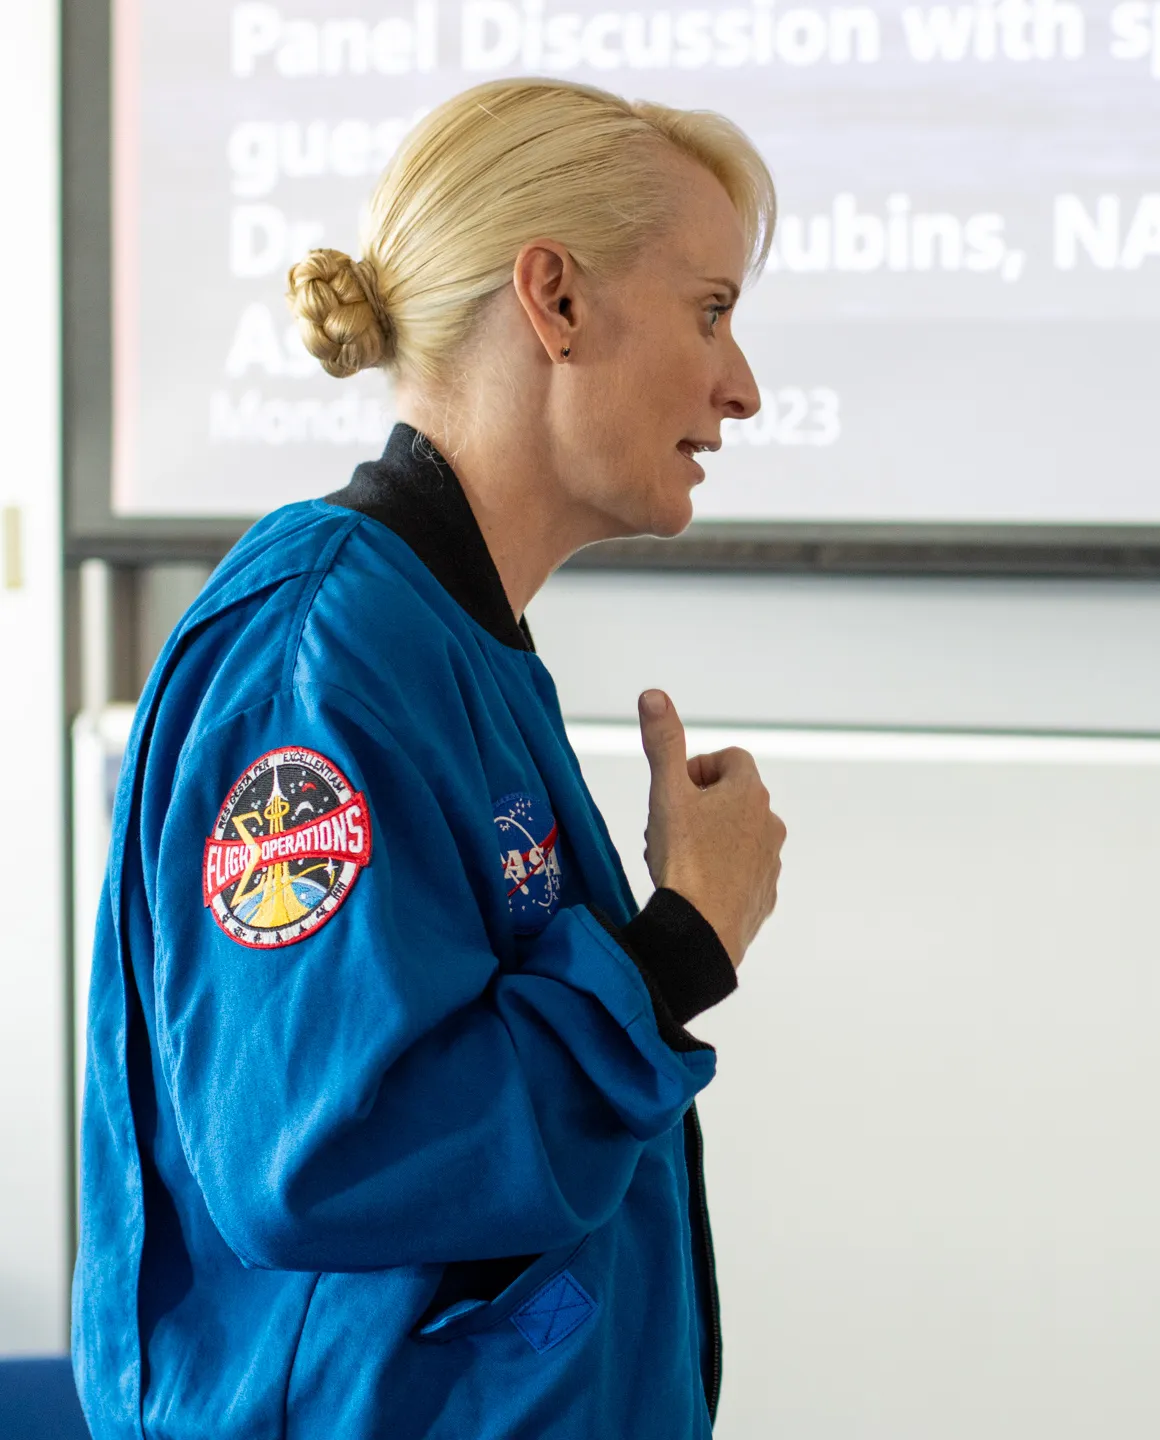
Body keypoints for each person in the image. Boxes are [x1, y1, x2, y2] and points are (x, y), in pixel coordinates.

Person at [74, 77, 785, 1438]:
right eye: (710, 311)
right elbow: (317, 1157)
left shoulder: (447, 640)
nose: (741, 388)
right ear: (554, 301)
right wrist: (682, 944)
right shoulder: (318, 652)